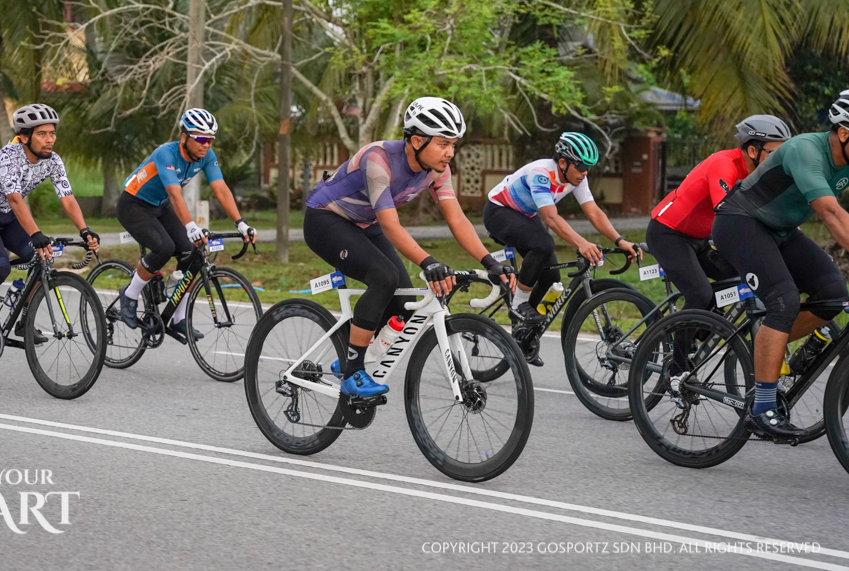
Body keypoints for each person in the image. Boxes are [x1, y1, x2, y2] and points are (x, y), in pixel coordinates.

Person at [303, 97, 516, 398]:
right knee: (383, 277)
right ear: (417, 140)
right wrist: (428, 262)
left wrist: (489, 261)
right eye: (443, 144)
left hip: (366, 222)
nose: (450, 152)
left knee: (404, 301)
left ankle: (349, 354)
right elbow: (391, 226)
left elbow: (457, 219)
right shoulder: (378, 158)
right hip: (325, 219)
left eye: (453, 144)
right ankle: (353, 373)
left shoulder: (438, 169)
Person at [712, 95, 849, 441]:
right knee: (783, 300)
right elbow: (830, 212)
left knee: (833, 294)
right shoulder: (807, 150)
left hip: (781, 230)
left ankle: (767, 346)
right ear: (844, 133)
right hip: (740, 222)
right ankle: (761, 409)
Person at [0, 104, 101, 346]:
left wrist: (85, 230)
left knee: (42, 257)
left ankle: (24, 321)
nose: (50, 140)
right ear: (25, 137)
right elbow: (15, 199)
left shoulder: (53, 161)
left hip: (9, 217)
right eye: (42, 134)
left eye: (52, 133)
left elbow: (67, 198)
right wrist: (35, 233)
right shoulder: (9, 156)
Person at [482, 131, 641, 365]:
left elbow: (594, 211)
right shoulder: (541, 174)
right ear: (564, 163)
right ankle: (518, 305)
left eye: (589, 167)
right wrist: (581, 243)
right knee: (543, 244)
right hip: (499, 211)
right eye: (582, 166)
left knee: (551, 278)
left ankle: (523, 334)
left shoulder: (576, 178)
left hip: (525, 215)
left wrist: (620, 240)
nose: (585, 172)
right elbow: (551, 218)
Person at [116, 108, 257, 344]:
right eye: (201, 139)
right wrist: (191, 226)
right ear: (184, 137)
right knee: (164, 248)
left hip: (160, 205)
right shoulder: (166, 153)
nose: (206, 145)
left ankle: (178, 318)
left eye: (210, 140)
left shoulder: (207, 155)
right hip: (134, 204)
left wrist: (241, 223)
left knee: (192, 254)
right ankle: (129, 295)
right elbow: (174, 193)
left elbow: (220, 188)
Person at [648, 115, 791, 310]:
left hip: (701, 237)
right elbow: (727, 211)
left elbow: (777, 209)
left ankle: (710, 325)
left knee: (740, 280)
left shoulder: (759, 172)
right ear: (752, 151)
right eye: (775, 153)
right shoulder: (724, 164)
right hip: (669, 234)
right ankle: (678, 330)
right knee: (700, 295)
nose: (780, 159)